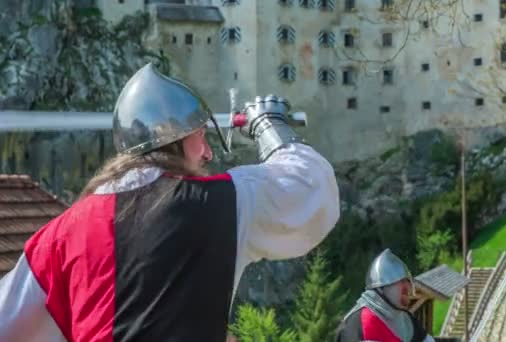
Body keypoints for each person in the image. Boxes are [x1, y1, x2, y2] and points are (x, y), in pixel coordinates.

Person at [0, 63, 340, 341]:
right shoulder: (216, 202)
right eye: (201, 135)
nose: (207, 152)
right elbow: (310, 186)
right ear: (173, 139)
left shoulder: (60, 233)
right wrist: (269, 125)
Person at [335, 249, 435, 342]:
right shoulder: (358, 324)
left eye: (407, 281)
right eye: (400, 281)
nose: (407, 286)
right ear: (381, 288)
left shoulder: (406, 319)